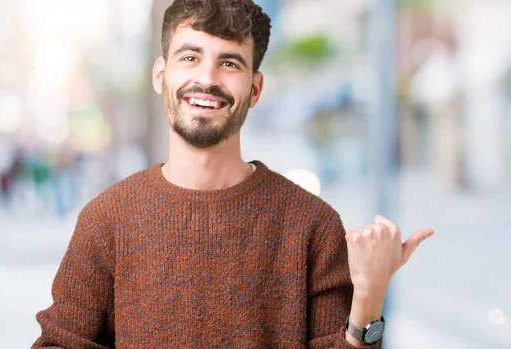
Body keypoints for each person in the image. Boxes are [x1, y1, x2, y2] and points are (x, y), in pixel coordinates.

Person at [32, 0, 434, 348]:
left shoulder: (314, 226)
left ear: (255, 89)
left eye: (229, 63)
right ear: (160, 74)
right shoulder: (107, 220)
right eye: (190, 57)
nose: (206, 79)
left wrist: (369, 297)